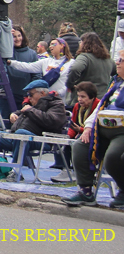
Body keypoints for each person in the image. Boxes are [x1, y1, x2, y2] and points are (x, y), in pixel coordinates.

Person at [62, 53, 124, 207]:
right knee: (80, 146)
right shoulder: (116, 83)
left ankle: (123, 190)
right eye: (118, 59)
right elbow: (101, 107)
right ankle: (86, 192)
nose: (117, 62)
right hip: (103, 128)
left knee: (112, 157)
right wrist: (88, 127)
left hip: (121, 132)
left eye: (121, 60)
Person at [0, 79, 67, 178]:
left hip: (40, 140)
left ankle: (15, 171)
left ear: (42, 93)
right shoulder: (32, 104)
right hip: (16, 136)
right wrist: (13, 114)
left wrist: (30, 110)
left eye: (31, 94)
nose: (28, 97)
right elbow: (22, 112)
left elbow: (53, 121)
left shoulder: (56, 104)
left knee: (21, 133)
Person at [51, 81, 100, 183]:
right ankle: (65, 169)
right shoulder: (77, 106)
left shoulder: (99, 106)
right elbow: (73, 125)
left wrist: (81, 130)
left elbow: (97, 127)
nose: (80, 99)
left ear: (92, 97)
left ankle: (81, 171)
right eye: (78, 96)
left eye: (83, 97)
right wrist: (67, 137)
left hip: (94, 135)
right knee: (63, 142)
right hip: (79, 133)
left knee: (79, 141)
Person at [7, 37, 73, 101]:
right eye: (50, 45)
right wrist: (11, 63)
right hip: (46, 100)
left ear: (62, 45)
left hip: (62, 102)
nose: (50, 47)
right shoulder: (46, 61)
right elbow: (28, 66)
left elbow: (70, 83)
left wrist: (59, 92)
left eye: (53, 44)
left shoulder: (71, 63)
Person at [0, 25, 40, 119]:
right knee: (6, 121)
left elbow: (36, 74)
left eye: (19, 36)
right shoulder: (4, 53)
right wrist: (5, 37)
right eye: (14, 36)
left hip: (24, 95)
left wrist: (31, 92)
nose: (17, 39)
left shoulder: (32, 54)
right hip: (7, 95)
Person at [65, 32, 115, 107]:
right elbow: (118, 74)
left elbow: (75, 69)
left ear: (84, 43)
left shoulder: (84, 57)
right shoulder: (108, 59)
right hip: (102, 100)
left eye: (80, 42)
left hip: (84, 100)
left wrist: (70, 84)